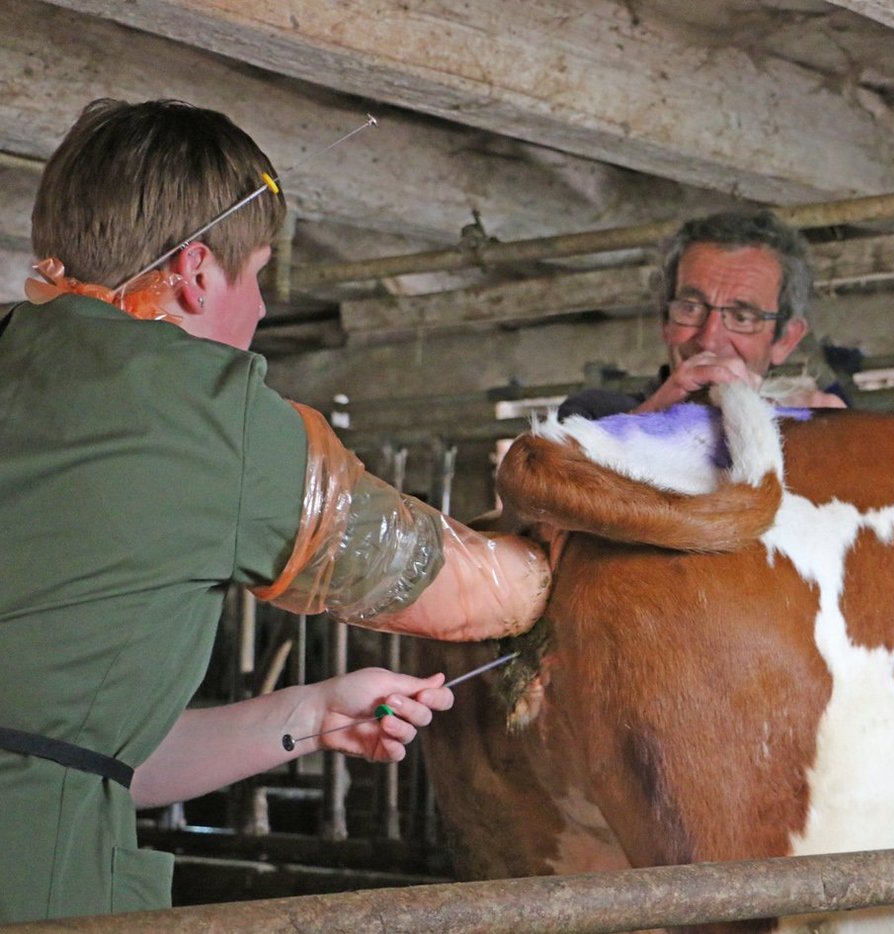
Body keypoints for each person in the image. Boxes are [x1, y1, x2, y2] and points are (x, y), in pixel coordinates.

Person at [0, 99, 549, 922]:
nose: (258, 309)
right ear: (192, 272)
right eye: (255, 272)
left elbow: (86, 755)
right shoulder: (207, 414)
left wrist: (312, 714)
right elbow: (470, 592)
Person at [557, 210, 849, 420]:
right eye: (690, 308)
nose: (709, 339)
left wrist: (824, 445)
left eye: (741, 317)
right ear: (665, 321)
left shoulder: (803, 425)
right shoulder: (593, 417)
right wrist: (655, 415)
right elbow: (566, 492)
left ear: (785, 339)